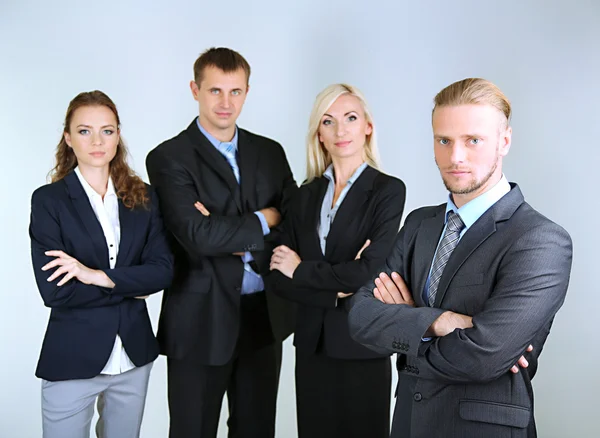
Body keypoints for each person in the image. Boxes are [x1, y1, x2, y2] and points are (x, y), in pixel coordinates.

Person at [348, 78, 573, 438]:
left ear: (504, 141)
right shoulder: (420, 223)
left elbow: (484, 357)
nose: (455, 157)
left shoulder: (540, 240)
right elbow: (359, 317)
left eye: (473, 140)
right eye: (444, 140)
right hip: (407, 424)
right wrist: (440, 322)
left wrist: (405, 324)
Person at [145, 47, 297, 438]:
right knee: (192, 430)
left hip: (263, 317)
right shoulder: (168, 157)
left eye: (235, 91)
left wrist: (224, 230)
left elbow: (295, 225)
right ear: (195, 89)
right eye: (215, 91)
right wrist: (265, 218)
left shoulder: (270, 152)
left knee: (257, 429)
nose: (226, 103)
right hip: (199, 322)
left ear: (247, 92)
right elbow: (197, 236)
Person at [29, 90, 174, 438]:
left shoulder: (144, 196)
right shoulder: (49, 201)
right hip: (73, 358)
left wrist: (94, 276)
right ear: (68, 137)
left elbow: (163, 271)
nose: (97, 140)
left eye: (107, 130)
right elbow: (55, 292)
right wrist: (130, 286)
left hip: (133, 357)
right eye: (84, 130)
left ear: (118, 135)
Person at [267, 83, 406, 438]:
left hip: (363, 343)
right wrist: (334, 291)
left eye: (350, 118)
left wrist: (301, 270)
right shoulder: (304, 195)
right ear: (319, 134)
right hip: (312, 345)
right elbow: (277, 278)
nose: (341, 130)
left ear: (367, 126)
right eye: (328, 122)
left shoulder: (388, 191)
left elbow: (366, 272)